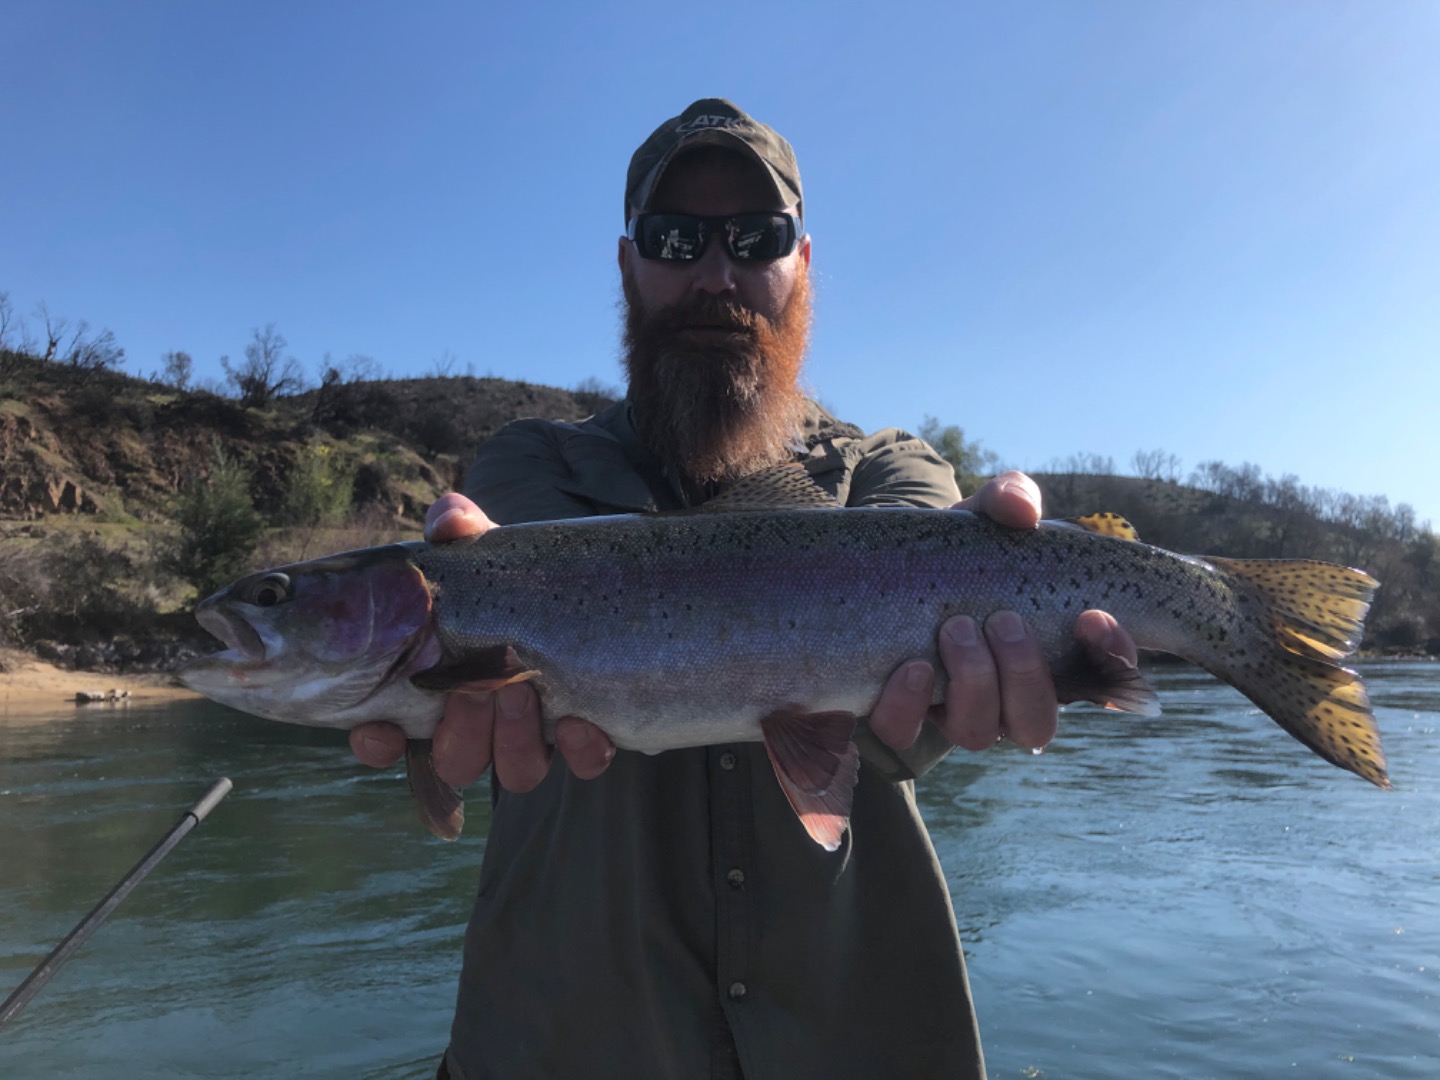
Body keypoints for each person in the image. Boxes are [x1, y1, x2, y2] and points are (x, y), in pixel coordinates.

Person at [350, 98, 1137, 1080]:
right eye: (676, 239)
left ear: (801, 265)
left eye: (754, 239)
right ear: (629, 266)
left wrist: (971, 687)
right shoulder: (526, 470)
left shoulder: (890, 474)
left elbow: (909, 738)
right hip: (563, 1044)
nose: (715, 275)